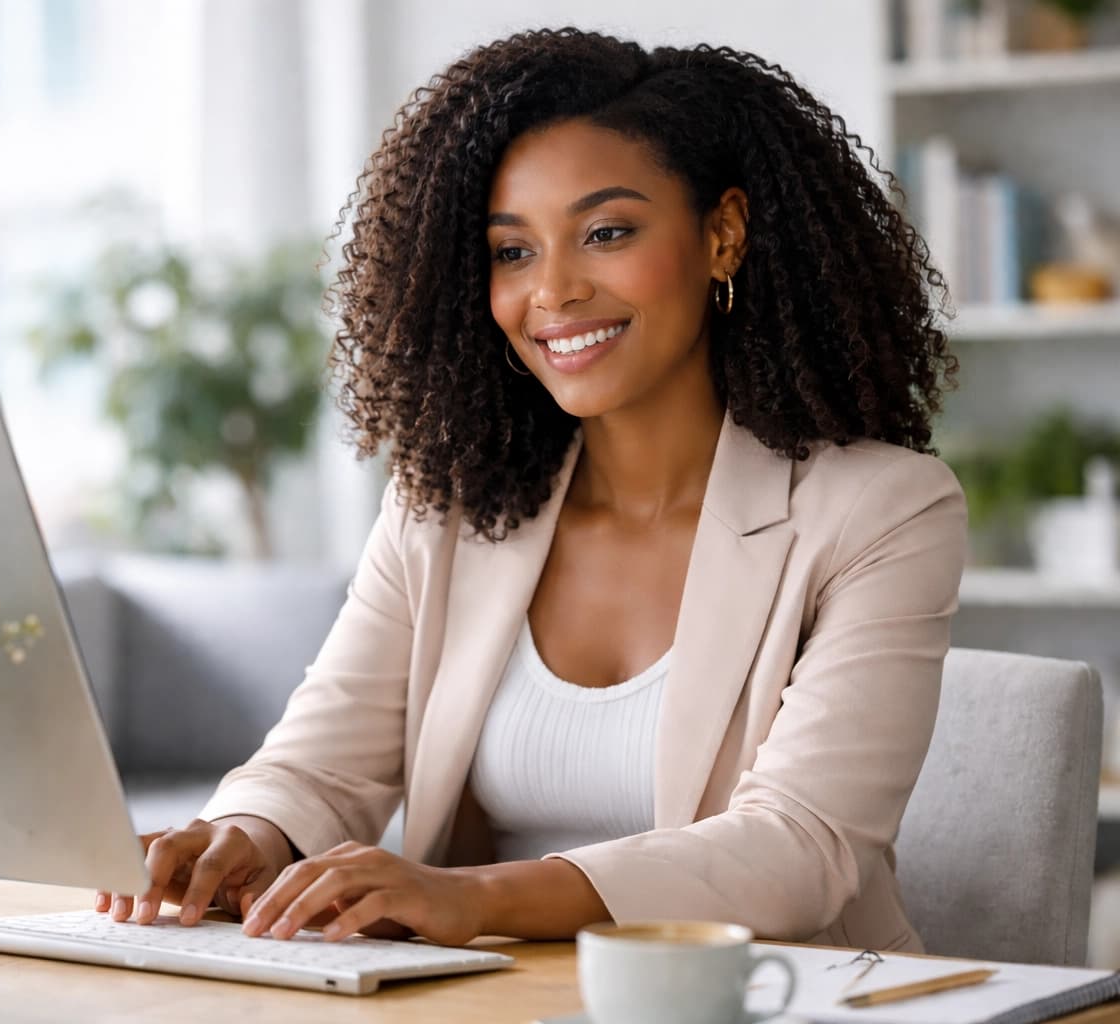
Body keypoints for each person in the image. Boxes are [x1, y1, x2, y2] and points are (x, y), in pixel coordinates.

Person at [95, 27, 965, 952]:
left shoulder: (883, 511)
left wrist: (470, 900)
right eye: (511, 252)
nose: (551, 292)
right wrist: (247, 835)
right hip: (483, 1003)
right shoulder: (448, 505)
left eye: (607, 233)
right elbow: (320, 764)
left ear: (723, 234)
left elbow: (799, 849)